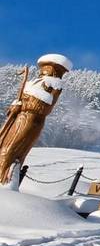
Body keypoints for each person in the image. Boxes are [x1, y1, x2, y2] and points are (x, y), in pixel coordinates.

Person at [0, 54, 72, 185]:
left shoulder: (55, 86)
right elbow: (20, 102)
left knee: (11, 149)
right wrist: (15, 105)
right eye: (43, 68)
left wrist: (24, 104)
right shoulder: (33, 83)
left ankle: (4, 179)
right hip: (19, 118)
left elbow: (44, 107)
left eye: (48, 68)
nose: (43, 72)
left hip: (31, 120)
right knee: (4, 145)